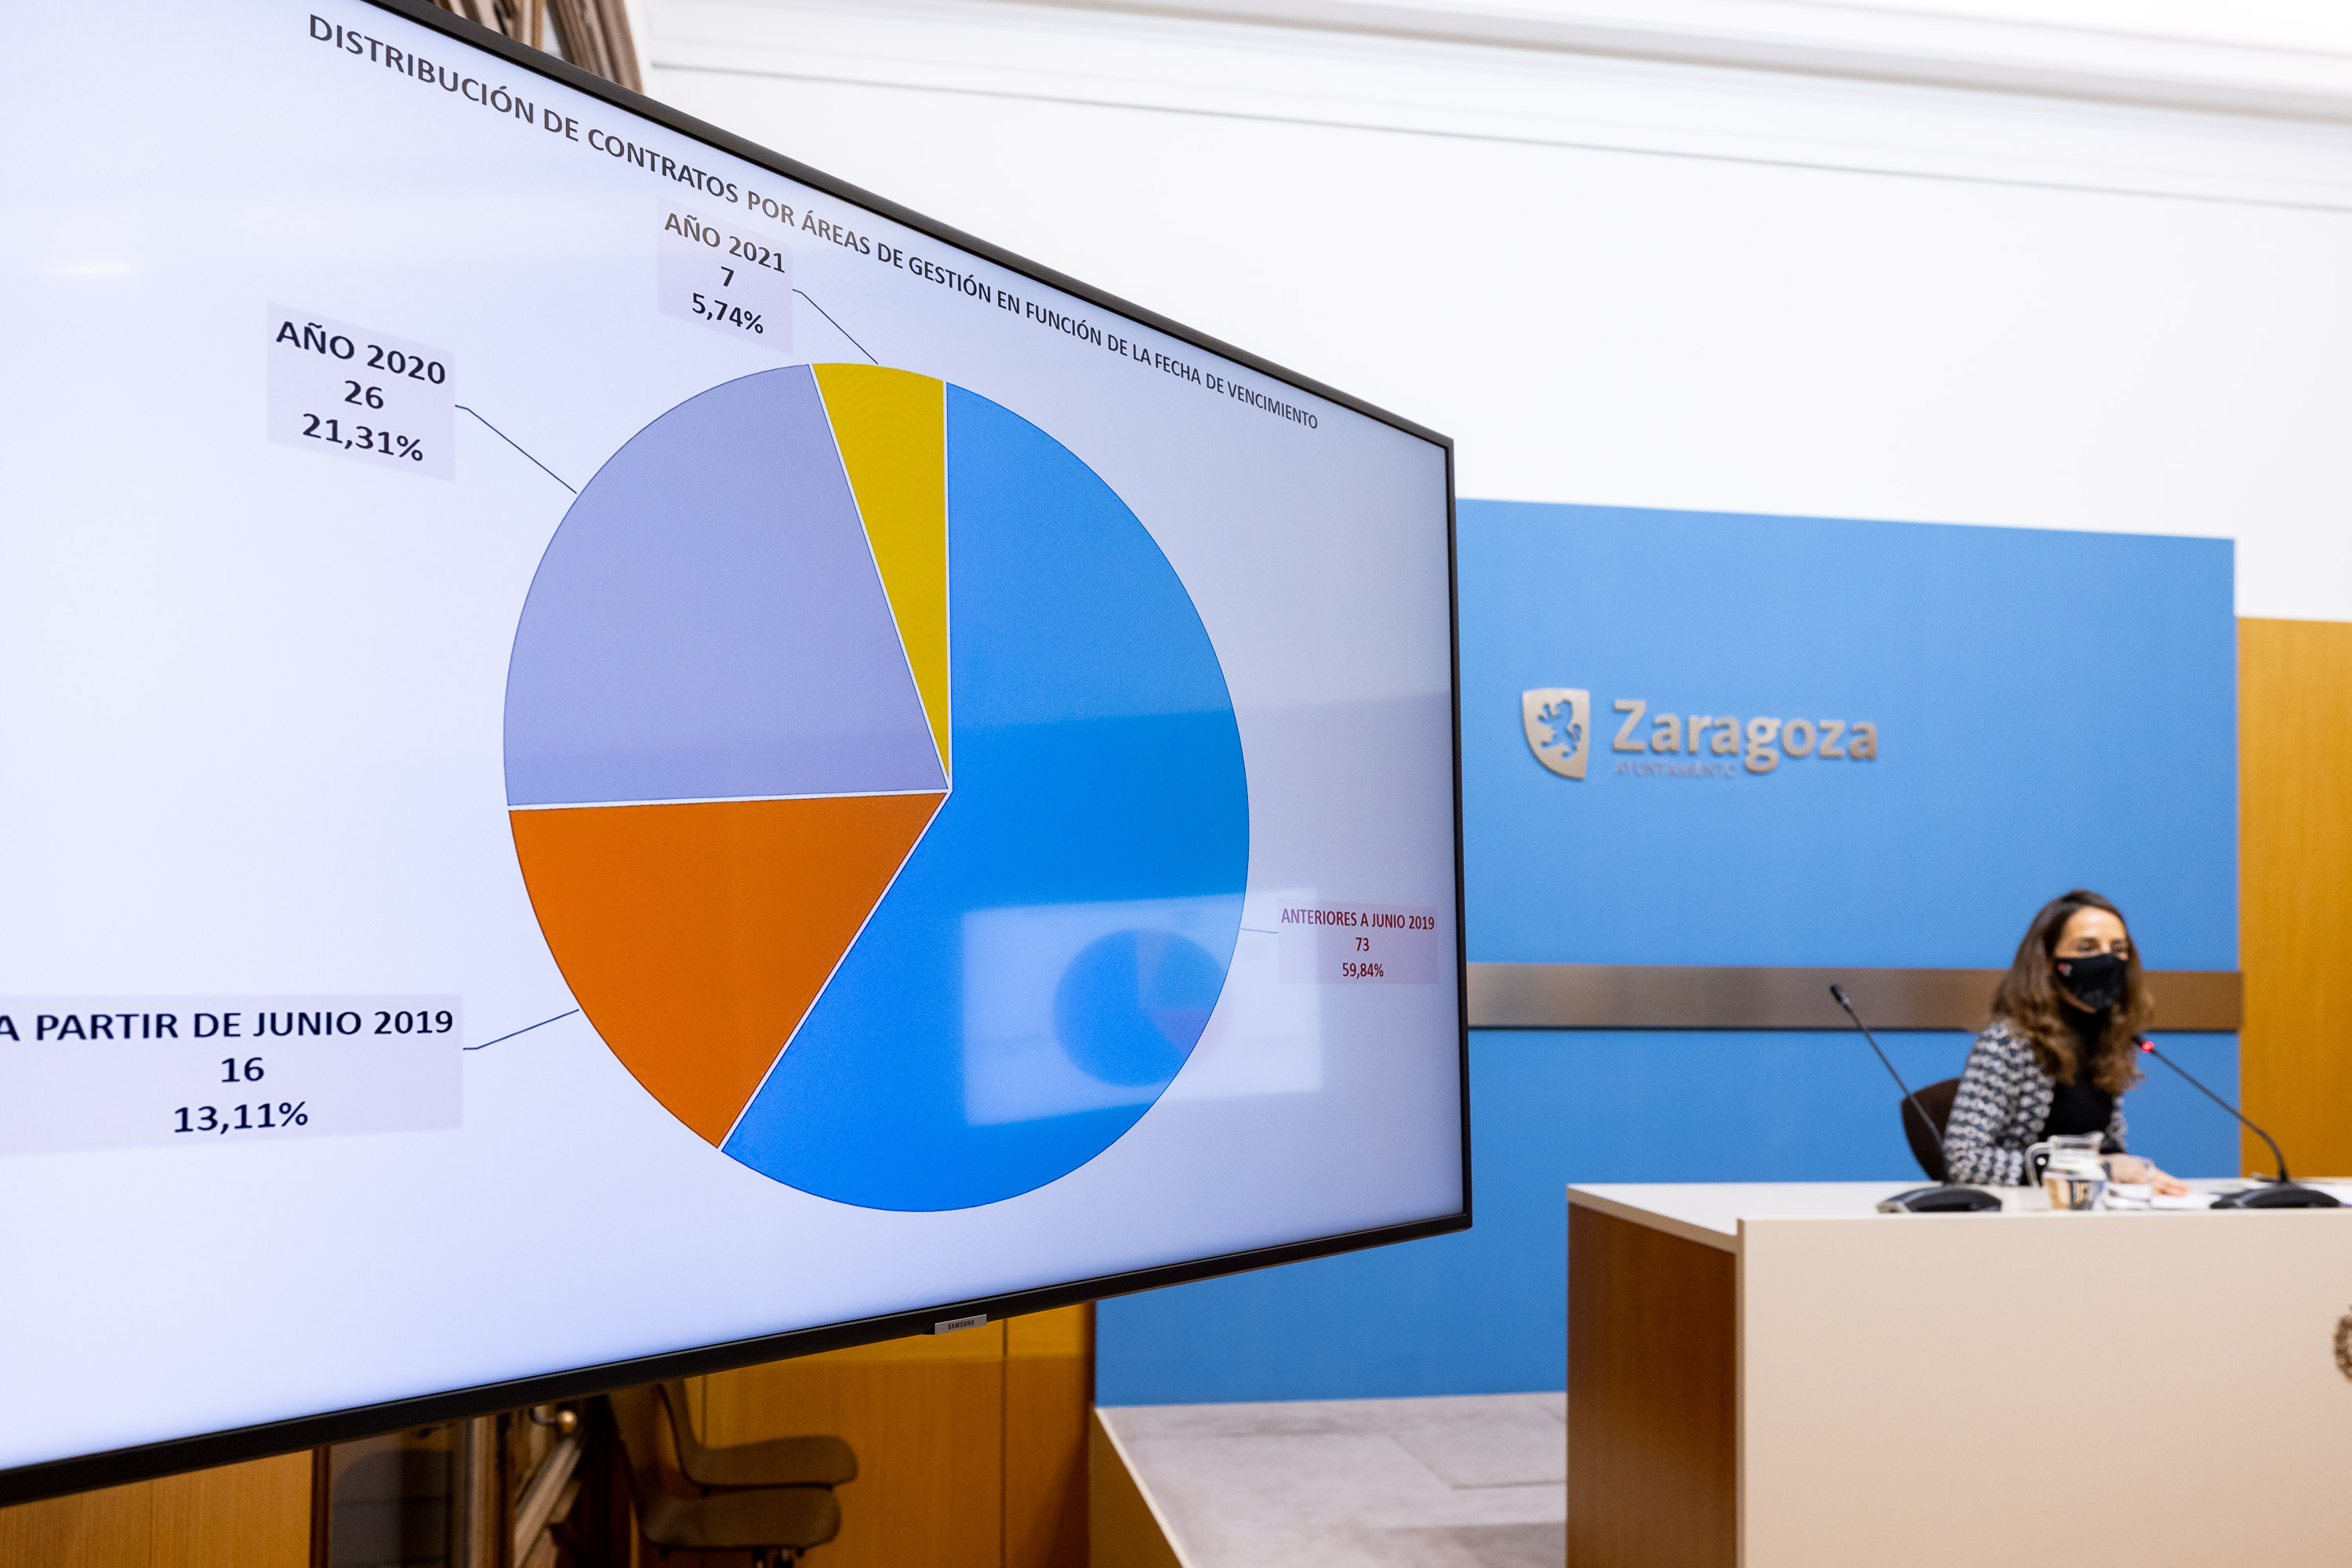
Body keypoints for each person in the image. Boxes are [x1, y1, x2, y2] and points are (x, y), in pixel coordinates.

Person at [1944, 889, 2188, 1193]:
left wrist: (2132, 1171)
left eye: (2118, 949)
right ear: (2048, 961)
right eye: (2087, 948)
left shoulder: (2108, 1038)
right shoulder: (2007, 1043)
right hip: (2018, 1212)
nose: (2107, 960)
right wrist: (2091, 1168)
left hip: (2084, 1209)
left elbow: (2108, 1150)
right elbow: (1964, 1161)